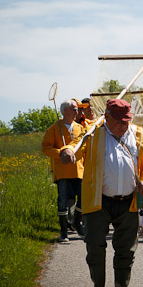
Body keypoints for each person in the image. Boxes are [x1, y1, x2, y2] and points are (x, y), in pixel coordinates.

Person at [60, 98, 143, 287]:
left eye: (126, 120)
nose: (123, 124)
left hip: (129, 203)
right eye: (118, 120)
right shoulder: (93, 132)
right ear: (106, 117)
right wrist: (67, 151)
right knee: (95, 250)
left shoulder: (139, 135)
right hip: (98, 202)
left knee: (126, 252)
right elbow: (75, 145)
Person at [41, 99, 86, 242]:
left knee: (83, 198)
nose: (77, 111)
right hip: (62, 171)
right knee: (62, 200)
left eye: (77, 109)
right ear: (65, 111)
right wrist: (61, 153)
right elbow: (46, 148)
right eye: (74, 109)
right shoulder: (54, 129)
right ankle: (63, 232)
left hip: (78, 170)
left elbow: (84, 145)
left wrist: (72, 152)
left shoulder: (80, 128)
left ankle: (76, 223)